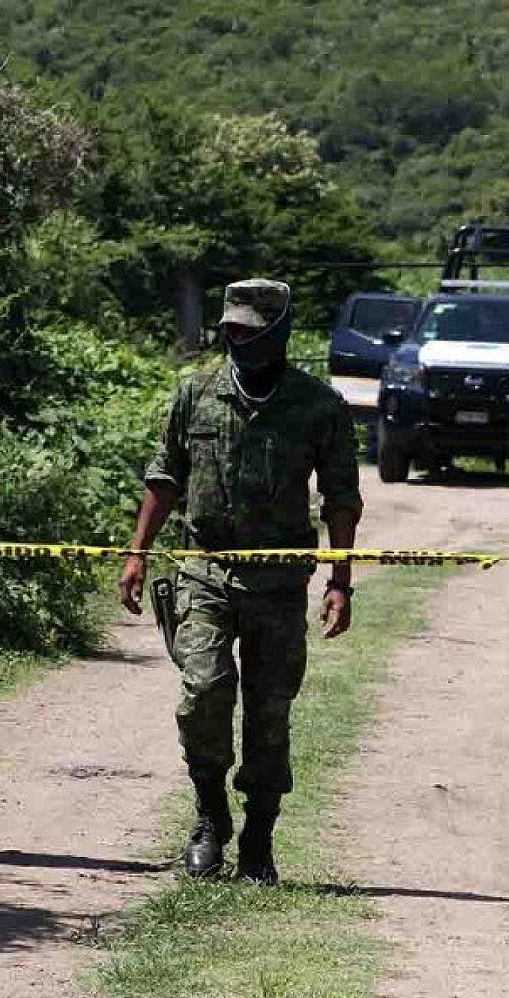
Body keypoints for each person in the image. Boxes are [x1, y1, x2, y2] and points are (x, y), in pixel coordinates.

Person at [119, 278, 363, 883]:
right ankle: (209, 816)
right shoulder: (196, 393)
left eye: (250, 333)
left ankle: (258, 835)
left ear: (279, 334)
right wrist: (136, 554)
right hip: (204, 568)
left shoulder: (318, 406)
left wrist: (340, 581)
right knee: (203, 690)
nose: (238, 342)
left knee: (269, 709)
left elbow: (341, 498)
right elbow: (165, 476)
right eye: (230, 331)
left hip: (278, 581)